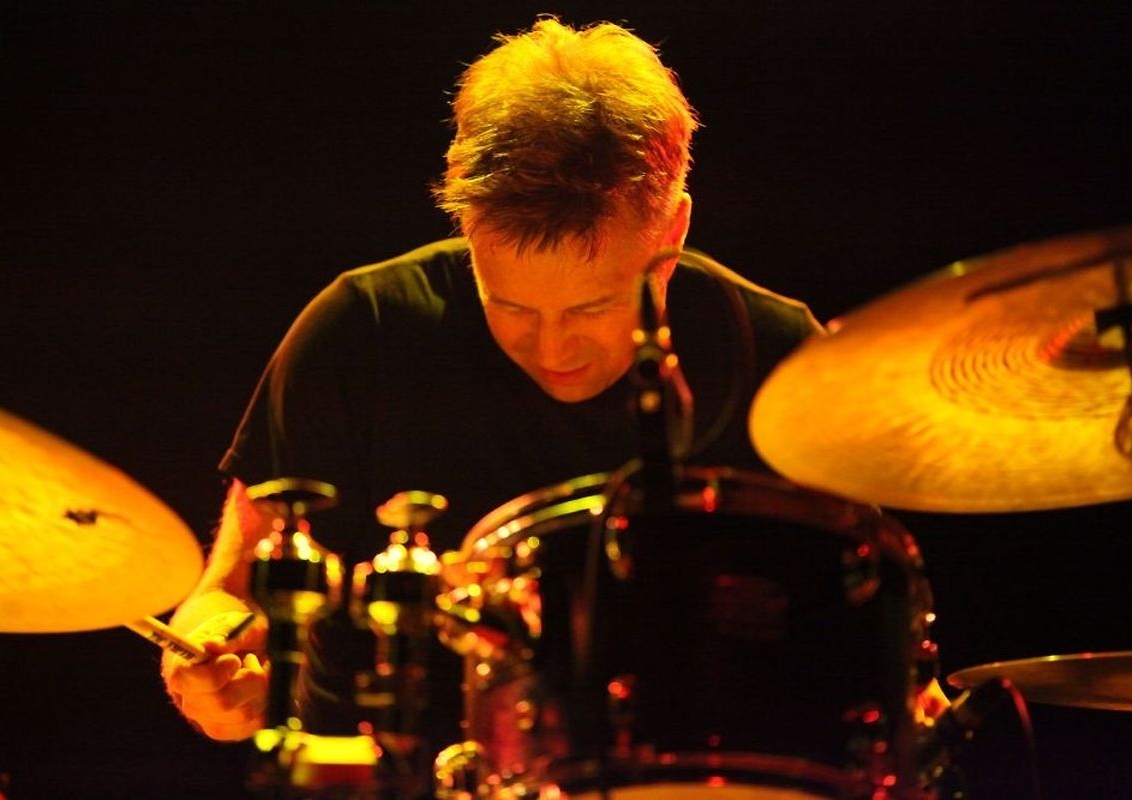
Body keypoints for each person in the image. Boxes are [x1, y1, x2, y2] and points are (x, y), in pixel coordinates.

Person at [162, 16, 938, 766]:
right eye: (510, 307)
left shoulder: (780, 363)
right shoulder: (357, 332)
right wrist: (211, 661)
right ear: (468, 233)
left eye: (591, 308)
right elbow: (224, 594)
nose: (552, 347)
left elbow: (871, 653)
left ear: (671, 233)